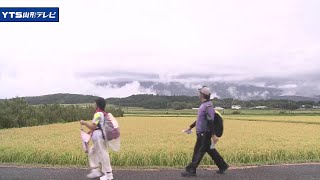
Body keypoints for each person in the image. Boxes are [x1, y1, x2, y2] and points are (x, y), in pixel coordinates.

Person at [181, 86, 229, 177]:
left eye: (200, 93)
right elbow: (199, 120)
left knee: (198, 151)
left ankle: (191, 170)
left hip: (205, 133)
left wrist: (213, 135)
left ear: (203, 95)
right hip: (202, 133)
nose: (198, 95)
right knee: (211, 150)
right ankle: (223, 166)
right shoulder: (204, 105)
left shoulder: (208, 106)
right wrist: (190, 127)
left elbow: (210, 121)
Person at [80, 97, 113, 180]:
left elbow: (93, 126)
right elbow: (97, 126)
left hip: (98, 137)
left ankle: (108, 174)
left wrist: (84, 123)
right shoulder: (103, 113)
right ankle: (96, 171)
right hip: (100, 136)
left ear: (98, 104)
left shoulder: (98, 114)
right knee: (92, 153)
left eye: (95, 103)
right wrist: (89, 132)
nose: (93, 104)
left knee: (103, 154)